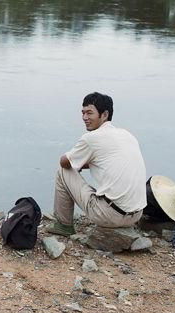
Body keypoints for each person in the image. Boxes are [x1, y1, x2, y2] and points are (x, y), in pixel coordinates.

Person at [48, 92, 146, 236]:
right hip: (136, 215)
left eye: (89, 113)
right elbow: (107, 160)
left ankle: (64, 226)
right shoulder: (127, 135)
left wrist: (80, 163)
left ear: (104, 115)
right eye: (83, 113)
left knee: (63, 172)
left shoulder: (91, 138)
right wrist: (85, 162)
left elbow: (64, 162)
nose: (84, 118)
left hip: (109, 216)